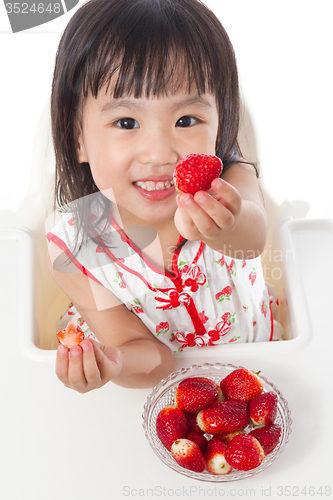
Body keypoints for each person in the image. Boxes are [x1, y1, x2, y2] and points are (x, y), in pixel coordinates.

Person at [46, 0, 283, 393]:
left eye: (186, 120)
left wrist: (222, 224)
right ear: (78, 139)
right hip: (166, 400)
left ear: (219, 122)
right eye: (126, 122)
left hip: (256, 377)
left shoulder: (231, 178)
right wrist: (113, 361)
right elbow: (153, 359)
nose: (158, 154)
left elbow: (251, 241)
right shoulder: (75, 249)